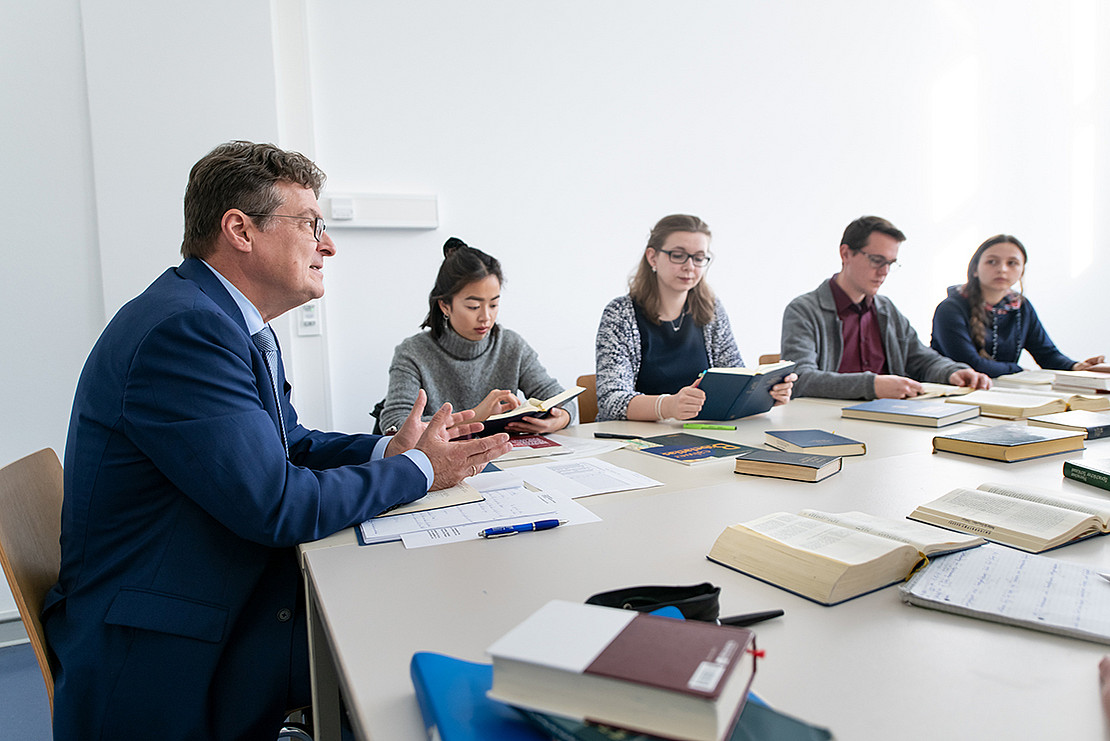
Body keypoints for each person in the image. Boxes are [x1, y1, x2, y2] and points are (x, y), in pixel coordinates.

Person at [43, 141, 511, 740]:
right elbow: (275, 504)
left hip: (212, 592)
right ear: (240, 229)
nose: (329, 245)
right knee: (423, 634)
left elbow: (288, 442)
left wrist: (389, 450)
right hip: (164, 643)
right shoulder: (184, 331)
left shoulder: (222, 318)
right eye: (312, 224)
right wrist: (421, 470)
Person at [595, 214, 795, 421]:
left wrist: (767, 394)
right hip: (636, 439)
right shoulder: (620, 313)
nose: (690, 266)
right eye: (678, 255)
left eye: (699, 258)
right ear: (652, 257)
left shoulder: (712, 309)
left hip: (702, 434)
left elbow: (736, 380)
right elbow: (611, 401)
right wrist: (668, 406)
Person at [781, 215, 992, 399]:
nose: (884, 272)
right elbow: (800, 379)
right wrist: (873, 385)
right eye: (876, 260)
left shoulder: (886, 309)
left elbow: (920, 358)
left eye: (890, 263)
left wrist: (952, 372)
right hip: (828, 423)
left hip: (890, 418)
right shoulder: (804, 310)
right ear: (845, 254)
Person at [379, 237, 575, 434]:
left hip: (505, 459)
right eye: (473, 306)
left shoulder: (512, 346)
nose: (486, 317)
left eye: (493, 305)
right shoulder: (413, 353)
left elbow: (562, 399)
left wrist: (558, 420)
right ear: (445, 305)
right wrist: (475, 415)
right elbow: (394, 424)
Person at [930, 234, 1103, 377]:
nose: (1002, 269)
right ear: (975, 269)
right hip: (955, 395)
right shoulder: (950, 309)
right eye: (992, 262)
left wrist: (1077, 367)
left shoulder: (1021, 307)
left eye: (1012, 263)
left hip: (1002, 392)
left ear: (1022, 271)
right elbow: (970, 365)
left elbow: (1047, 355)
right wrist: (1019, 370)